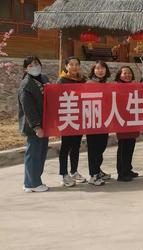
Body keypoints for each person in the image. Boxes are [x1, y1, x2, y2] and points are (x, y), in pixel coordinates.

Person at [18, 56, 50, 192]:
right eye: (30, 65)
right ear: (25, 69)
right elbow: (28, 109)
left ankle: (32, 181)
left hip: (45, 122)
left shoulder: (43, 79)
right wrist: (37, 127)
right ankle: (32, 183)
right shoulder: (26, 85)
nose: (35, 67)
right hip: (34, 126)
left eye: (36, 64)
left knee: (41, 153)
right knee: (34, 153)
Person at [57, 56, 87, 187]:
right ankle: (64, 174)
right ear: (66, 66)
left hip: (79, 117)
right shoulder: (61, 80)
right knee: (65, 146)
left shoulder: (83, 80)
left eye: (76, 64)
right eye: (71, 64)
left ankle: (74, 171)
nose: (74, 67)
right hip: (67, 117)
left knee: (76, 146)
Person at [85, 61, 112, 186]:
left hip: (104, 121)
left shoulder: (107, 84)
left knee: (102, 146)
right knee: (94, 148)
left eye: (103, 68)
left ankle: (98, 170)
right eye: (97, 68)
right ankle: (93, 174)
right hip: (93, 121)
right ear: (93, 70)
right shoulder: (89, 84)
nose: (100, 71)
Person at [114, 66, 140, 182]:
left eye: (129, 73)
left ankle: (128, 169)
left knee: (130, 145)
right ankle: (121, 172)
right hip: (122, 121)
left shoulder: (134, 87)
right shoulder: (116, 87)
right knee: (123, 147)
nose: (127, 75)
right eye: (124, 73)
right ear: (120, 75)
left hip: (133, 120)